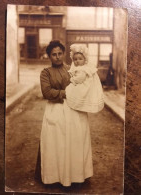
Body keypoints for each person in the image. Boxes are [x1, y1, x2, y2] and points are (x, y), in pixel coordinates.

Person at [39, 40, 93, 187]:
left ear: (64, 54)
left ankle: (75, 175)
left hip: (73, 110)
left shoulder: (72, 69)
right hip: (55, 110)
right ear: (49, 56)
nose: (57, 57)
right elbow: (47, 92)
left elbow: (84, 84)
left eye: (60, 53)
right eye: (53, 54)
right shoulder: (46, 73)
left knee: (74, 142)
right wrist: (67, 92)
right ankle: (55, 176)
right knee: (57, 143)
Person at [66, 44, 104, 113]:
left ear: (84, 60)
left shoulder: (83, 69)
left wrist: (72, 80)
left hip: (84, 84)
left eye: (80, 59)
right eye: (75, 59)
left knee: (71, 90)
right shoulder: (77, 68)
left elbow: (80, 78)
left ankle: (78, 104)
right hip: (82, 83)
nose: (77, 61)